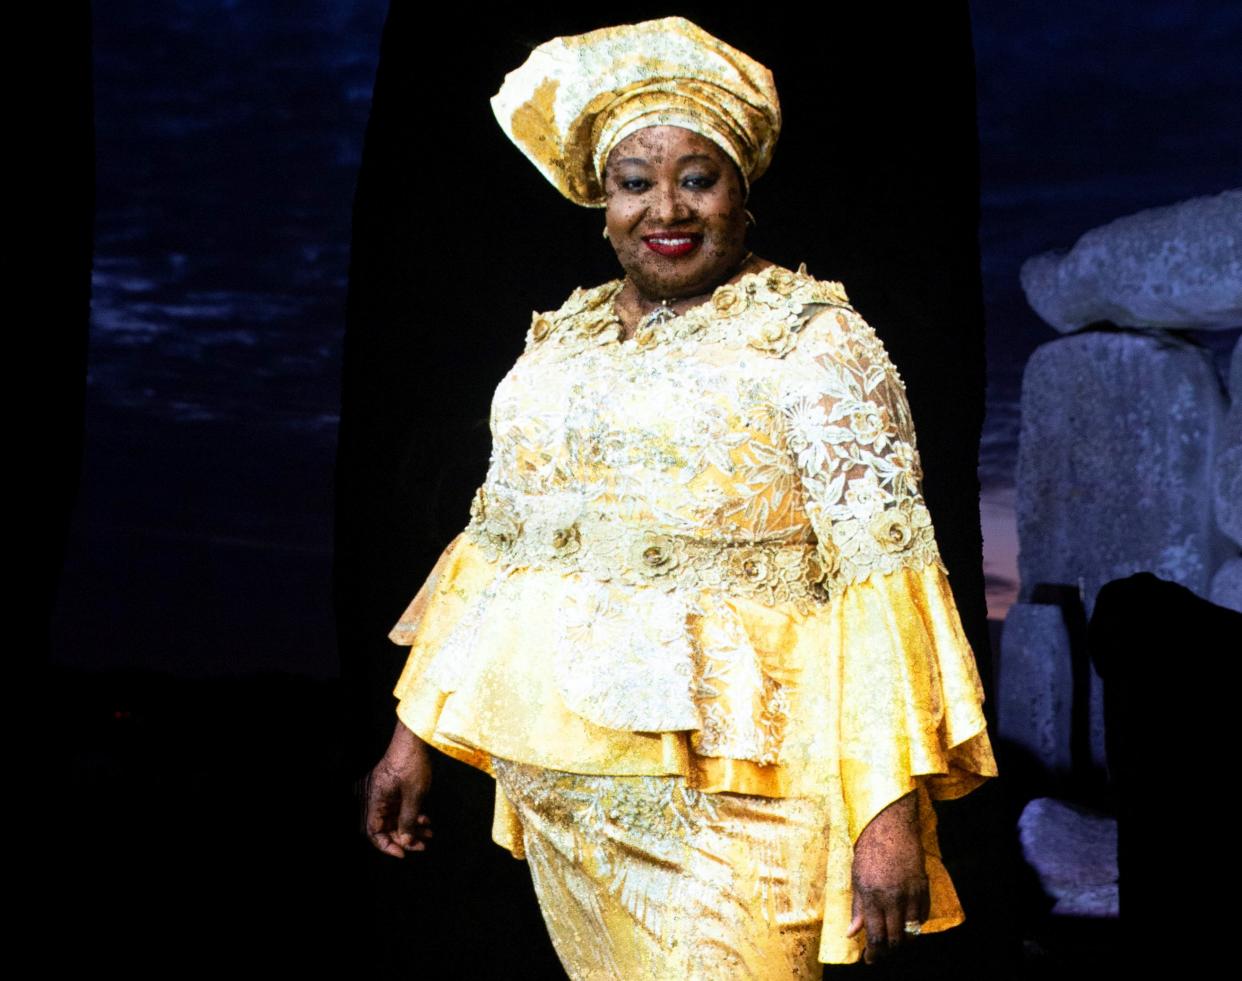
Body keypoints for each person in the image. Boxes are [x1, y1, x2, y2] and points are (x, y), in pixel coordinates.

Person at [364, 16, 996, 977]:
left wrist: (889, 813)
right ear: (602, 201)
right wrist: (411, 739)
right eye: (635, 182)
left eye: (698, 177)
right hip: (561, 781)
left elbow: (882, 579)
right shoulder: (560, 343)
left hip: (748, 799)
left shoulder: (814, 339)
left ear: (741, 193)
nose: (668, 206)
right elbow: (498, 544)